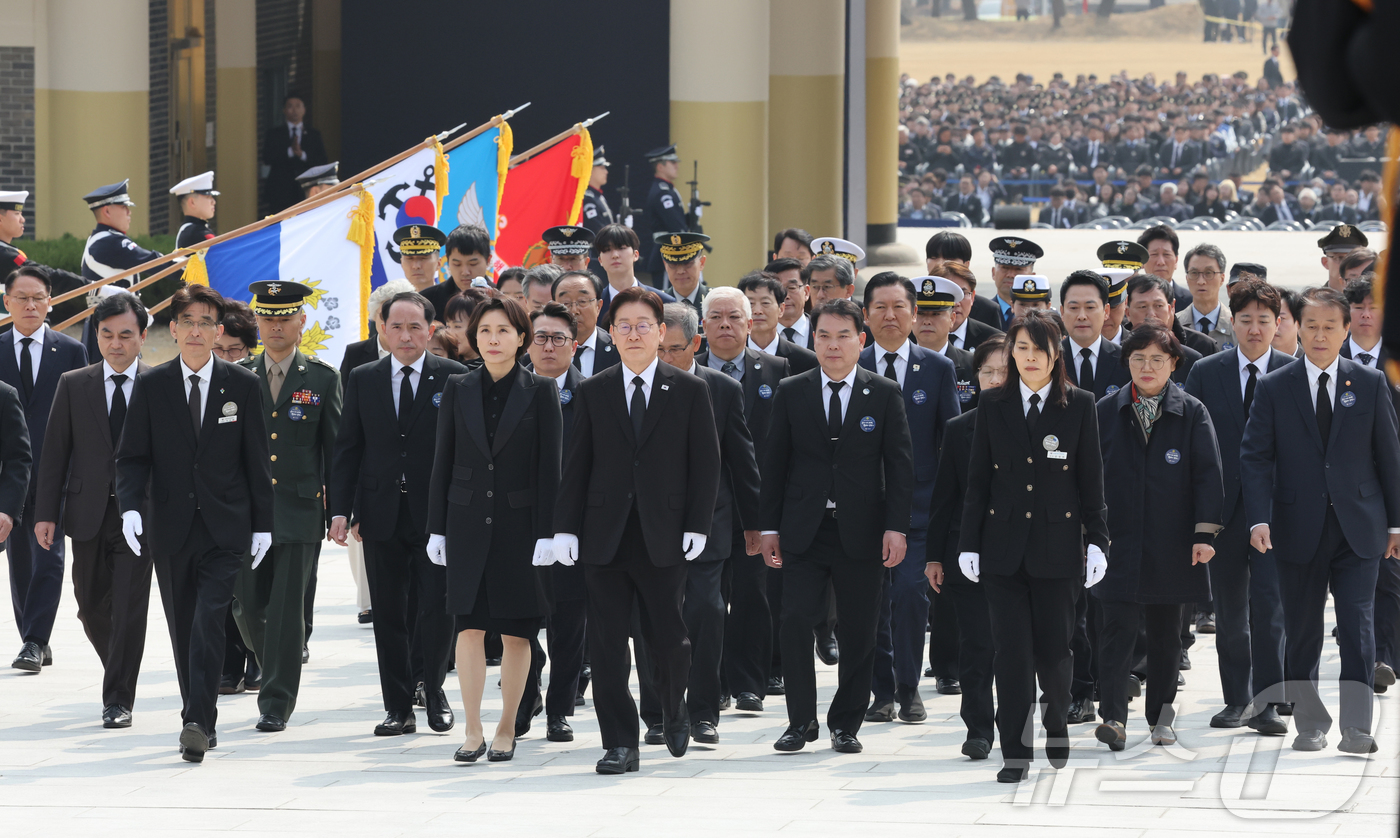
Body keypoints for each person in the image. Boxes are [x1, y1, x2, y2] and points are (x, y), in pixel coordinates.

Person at [553, 285, 721, 774]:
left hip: (664, 533)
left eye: (643, 325)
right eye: (623, 325)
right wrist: (565, 529)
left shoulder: (690, 389)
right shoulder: (593, 389)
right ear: (611, 333)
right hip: (603, 535)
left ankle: (673, 707)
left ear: (661, 332)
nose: (633, 333)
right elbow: (576, 465)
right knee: (606, 644)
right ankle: (620, 743)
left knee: (669, 637)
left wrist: (698, 524)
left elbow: (705, 464)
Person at [115, 284, 273, 762]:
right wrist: (129, 509)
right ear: (174, 330)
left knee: (208, 620)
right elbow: (132, 458)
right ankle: (197, 712)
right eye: (188, 322)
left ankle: (197, 722)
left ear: (218, 330)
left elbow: (256, 461)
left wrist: (263, 523)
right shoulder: (152, 385)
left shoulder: (243, 385)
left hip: (227, 527)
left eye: (207, 322)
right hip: (171, 526)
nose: (197, 331)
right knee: (184, 626)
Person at [1242, 287, 1400, 755]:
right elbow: (1254, 457)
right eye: (1310, 325)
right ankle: (1310, 725)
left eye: (1330, 326)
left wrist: (1396, 526)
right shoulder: (1275, 385)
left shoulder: (1369, 384)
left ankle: (1356, 728)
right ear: (1296, 328)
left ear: (1346, 329)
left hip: (1360, 527)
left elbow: (1389, 458)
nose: (1319, 334)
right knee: (1304, 629)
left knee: (1357, 625)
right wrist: (1258, 519)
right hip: (1296, 526)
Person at [958, 309, 1110, 783]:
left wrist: (1098, 541)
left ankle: (1057, 717)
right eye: (1020, 348)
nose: (1028, 358)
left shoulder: (1080, 404)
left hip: (1058, 547)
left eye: (1038, 350)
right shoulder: (993, 404)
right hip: (1002, 549)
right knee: (1012, 653)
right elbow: (978, 481)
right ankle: (1016, 754)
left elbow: (1091, 481)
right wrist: (968, 543)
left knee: (1054, 651)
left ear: (1055, 354)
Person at [759, 298, 914, 755]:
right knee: (792, 623)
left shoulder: (883, 392)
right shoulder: (792, 389)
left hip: (862, 531)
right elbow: (775, 463)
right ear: (813, 339)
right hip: (803, 529)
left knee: (860, 630)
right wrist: (769, 526)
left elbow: (900, 466)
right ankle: (800, 721)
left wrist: (896, 527)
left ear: (860, 340)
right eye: (823, 335)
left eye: (843, 335)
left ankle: (845, 723)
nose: (832, 345)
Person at [427, 296, 561, 763]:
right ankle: (472, 728)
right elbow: (442, 461)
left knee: (516, 633)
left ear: (521, 338)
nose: (493, 339)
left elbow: (551, 469)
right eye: (485, 331)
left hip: (520, 529)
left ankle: (507, 726)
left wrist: (549, 532)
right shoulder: (458, 387)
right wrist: (436, 529)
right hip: (464, 525)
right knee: (468, 628)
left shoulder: (540, 391)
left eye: (503, 331)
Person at [328, 292, 465, 738]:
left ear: (431, 329)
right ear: (381, 330)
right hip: (380, 512)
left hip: (437, 516)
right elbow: (348, 448)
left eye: (415, 327)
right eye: (397, 327)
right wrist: (340, 511)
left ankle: (434, 687)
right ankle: (397, 705)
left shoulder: (454, 377)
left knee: (437, 608)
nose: (406, 336)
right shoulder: (364, 378)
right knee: (387, 612)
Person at [1093, 323, 1224, 751]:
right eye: (1138, 358)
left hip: (1173, 545)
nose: (1147, 367)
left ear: (1174, 364)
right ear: (1126, 362)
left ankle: (1161, 719)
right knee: (1116, 631)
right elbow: (1086, 478)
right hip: (1117, 543)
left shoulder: (1192, 411)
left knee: (1168, 636)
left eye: (1157, 359)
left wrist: (1204, 535)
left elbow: (1209, 477)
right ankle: (1112, 716)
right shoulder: (1104, 411)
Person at [639, 302, 759, 745]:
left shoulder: (722, 389)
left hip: (710, 522)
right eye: (659, 349)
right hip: (648, 526)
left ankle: (704, 711)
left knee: (706, 612)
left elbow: (742, 463)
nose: (664, 358)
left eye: (673, 350)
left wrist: (755, 524)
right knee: (652, 619)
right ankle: (657, 712)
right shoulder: (633, 385)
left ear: (695, 343)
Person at [231, 281, 342, 733]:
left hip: (298, 511)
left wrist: (340, 510)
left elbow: (336, 450)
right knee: (246, 605)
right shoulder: (237, 376)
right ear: (257, 321)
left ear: (301, 322)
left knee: (285, 609)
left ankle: (276, 700)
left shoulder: (321, 378)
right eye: (268, 317)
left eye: (285, 317)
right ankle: (276, 657)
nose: (276, 325)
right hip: (245, 512)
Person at [1184, 278, 1294, 735]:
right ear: (1232, 320)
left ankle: (1269, 702)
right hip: (1221, 514)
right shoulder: (1207, 372)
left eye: (1263, 321)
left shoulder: (1296, 371)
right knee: (1229, 613)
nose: (1254, 329)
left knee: (1269, 609)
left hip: (1278, 513)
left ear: (1278, 324)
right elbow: (1191, 445)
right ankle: (1236, 700)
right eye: (1245, 320)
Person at [33, 294, 143, 726]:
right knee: (91, 605)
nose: (116, 344)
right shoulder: (74, 383)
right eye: (107, 334)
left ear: (141, 336)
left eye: (126, 335)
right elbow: (54, 451)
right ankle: (119, 667)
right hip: (87, 512)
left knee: (131, 605)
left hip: (141, 516)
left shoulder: (158, 384)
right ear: (96, 335)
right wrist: (46, 513)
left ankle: (118, 697)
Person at [859, 275, 959, 725]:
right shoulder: (848, 361)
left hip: (919, 508)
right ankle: (881, 691)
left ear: (914, 314)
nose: (890, 316)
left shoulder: (936, 369)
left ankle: (908, 685)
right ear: (865, 315)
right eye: (880, 307)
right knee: (872, 603)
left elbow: (951, 443)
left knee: (911, 595)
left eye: (900, 307)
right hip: (860, 509)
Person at [694, 287, 790, 712]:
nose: (725, 325)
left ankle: (750, 683)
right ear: (702, 327)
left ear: (751, 324)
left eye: (734, 317)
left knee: (754, 596)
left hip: (761, 505)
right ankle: (711, 683)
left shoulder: (779, 370)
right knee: (705, 602)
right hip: (703, 506)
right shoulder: (686, 374)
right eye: (716, 317)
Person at [3, 265, 88, 672]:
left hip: (57, 473)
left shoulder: (71, 352)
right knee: (19, 560)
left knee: (49, 554)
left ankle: (35, 639)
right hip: (10, 475)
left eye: (39, 297)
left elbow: (84, 417)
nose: (31, 304)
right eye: (22, 297)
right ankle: (32, 636)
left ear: (50, 302)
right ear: (7, 303)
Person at [926, 336, 1006, 760]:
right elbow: (945, 498)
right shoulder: (960, 429)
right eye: (987, 371)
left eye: (1004, 371)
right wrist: (935, 555)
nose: (995, 380)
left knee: (1014, 647)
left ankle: (1015, 722)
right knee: (976, 645)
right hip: (967, 553)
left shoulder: (1040, 422)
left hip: (1023, 554)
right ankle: (977, 728)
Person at [526, 303, 588, 742]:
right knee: (520, 620)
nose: (548, 346)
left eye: (558, 339)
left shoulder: (592, 394)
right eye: (540, 337)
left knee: (569, 624)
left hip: (575, 527)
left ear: (575, 345)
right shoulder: (510, 391)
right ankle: (526, 695)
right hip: (519, 524)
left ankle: (559, 709)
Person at [80, 180, 161, 359]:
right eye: (124, 207)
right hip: (112, 326)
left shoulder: (101, 238)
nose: (129, 212)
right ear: (107, 211)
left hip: (109, 322)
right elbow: (153, 262)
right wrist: (192, 267)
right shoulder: (110, 242)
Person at [1061, 270, 1131, 399]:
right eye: (1074, 308)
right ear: (1062, 312)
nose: (1082, 316)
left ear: (1106, 311)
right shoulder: (1049, 358)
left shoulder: (1126, 361)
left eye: (1090, 308)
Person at [1125, 273, 1208, 380]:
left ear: (1171, 308)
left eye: (1158, 306)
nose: (1151, 314)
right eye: (1142, 306)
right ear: (1127, 313)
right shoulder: (1116, 357)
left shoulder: (1193, 359)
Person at [914, 276, 979, 409]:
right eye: (921, 313)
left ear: (952, 319)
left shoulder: (973, 365)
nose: (927, 321)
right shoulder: (898, 363)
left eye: (936, 314)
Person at [739, 271, 819, 374]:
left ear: (781, 309)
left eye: (765, 303)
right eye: (750, 303)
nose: (757, 310)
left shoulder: (806, 360)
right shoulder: (731, 355)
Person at [262, 93, 328, 212]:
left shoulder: (314, 134)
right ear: (284, 110)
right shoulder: (274, 134)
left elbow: (322, 160)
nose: (294, 110)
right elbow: (267, 158)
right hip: (280, 190)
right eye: (290, 106)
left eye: (298, 106)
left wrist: (302, 155)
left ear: (304, 110)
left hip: (306, 189)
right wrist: (290, 152)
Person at [925, 231, 1001, 330]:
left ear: (966, 264)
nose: (941, 263)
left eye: (949, 258)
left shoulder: (987, 310)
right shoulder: (914, 301)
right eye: (934, 257)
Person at [596, 224, 674, 321]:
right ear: (600, 260)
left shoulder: (665, 303)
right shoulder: (593, 305)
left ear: (636, 255)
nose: (615, 255)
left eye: (621, 248)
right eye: (607, 250)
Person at [552, 270, 619, 377]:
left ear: (598, 307)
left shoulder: (618, 350)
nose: (574, 310)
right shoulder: (543, 349)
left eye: (582, 301)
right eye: (565, 303)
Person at [934, 263, 1003, 353]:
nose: (956, 303)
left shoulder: (994, 341)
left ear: (972, 297)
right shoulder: (913, 337)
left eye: (962, 294)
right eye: (948, 295)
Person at [641, 146, 689, 277]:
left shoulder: (667, 189)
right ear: (660, 167)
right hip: (667, 252)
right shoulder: (662, 192)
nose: (677, 166)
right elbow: (675, 225)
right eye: (672, 163)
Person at [1177, 243, 1235, 352]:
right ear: (1187, 278)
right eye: (1194, 273)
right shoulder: (1174, 325)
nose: (1201, 281)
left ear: (1222, 278)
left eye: (1208, 273)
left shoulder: (1236, 326)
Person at [417, 225, 481, 318]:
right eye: (457, 264)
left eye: (473, 264)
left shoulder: (501, 298)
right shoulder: (426, 302)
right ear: (447, 261)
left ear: (488, 260)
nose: (465, 272)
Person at [171, 172, 219, 285]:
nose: (213, 201)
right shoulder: (194, 233)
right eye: (208, 196)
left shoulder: (196, 229)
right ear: (192, 202)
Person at [986, 237, 1043, 329]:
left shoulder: (1043, 317)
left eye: (1018, 269)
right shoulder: (980, 312)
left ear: (1032, 276)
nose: (1011, 275)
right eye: (1005, 267)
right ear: (993, 273)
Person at [1137, 226, 1195, 312]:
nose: (1161, 262)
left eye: (1166, 255)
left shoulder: (1191, 301)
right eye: (1154, 254)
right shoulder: (1131, 298)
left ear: (1176, 260)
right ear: (1142, 261)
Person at [656, 232, 711, 317]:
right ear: (665, 265)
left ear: (702, 263)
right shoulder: (656, 303)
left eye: (687, 263)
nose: (680, 271)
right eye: (673, 264)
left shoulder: (716, 301)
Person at [391, 224, 448, 295]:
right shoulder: (392, 303)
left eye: (423, 258)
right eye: (409, 258)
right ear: (402, 263)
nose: (416, 266)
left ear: (438, 263)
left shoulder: (451, 303)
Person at [1318, 224, 1369, 291]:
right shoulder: (1313, 300)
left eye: (1354, 259)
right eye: (1340, 258)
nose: (1348, 265)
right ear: (1325, 262)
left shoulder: (1373, 300)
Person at [580, 146, 614, 233]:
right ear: (590, 170)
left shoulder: (597, 196)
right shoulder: (587, 199)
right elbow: (598, 230)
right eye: (602, 168)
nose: (606, 172)